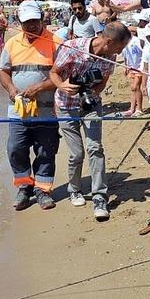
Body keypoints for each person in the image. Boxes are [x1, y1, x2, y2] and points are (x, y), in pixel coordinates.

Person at [50, 21, 132, 221]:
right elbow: (53, 73)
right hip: (65, 105)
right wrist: (62, 86)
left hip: (91, 105)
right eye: (120, 48)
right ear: (109, 41)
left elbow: (103, 81)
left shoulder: (110, 57)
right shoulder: (73, 48)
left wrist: (92, 93)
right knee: (77, 153)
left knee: (95, 148)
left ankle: (99, 197)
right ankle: (75, 189)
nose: (120, 53)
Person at [0, 0, 62, 211]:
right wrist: (10, 89)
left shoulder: (56, 42)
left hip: (47, 110)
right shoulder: (12, 43)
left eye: (35, 21)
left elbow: (63, 75)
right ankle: (24, 187)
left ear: (42, 18)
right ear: (20, 22)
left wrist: (40, 87)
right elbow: (4, 71)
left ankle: (43, 190)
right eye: (27, 22)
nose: (32, 26)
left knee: (46, 150)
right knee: (16, 148)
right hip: (18, 110)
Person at [121, 24, 145, 118]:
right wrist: (125, 66)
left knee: (136, 87)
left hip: (139, 67)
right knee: (133, 88)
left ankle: (139, 108)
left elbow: (143, 52)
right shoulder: (125, 42)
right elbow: (125, 55)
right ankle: (132, 108)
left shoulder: (137, 41)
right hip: (132, 68)